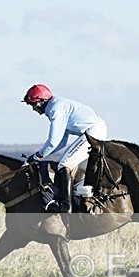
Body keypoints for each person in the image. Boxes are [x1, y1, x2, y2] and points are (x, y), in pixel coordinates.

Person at [22, 84, 107, 213]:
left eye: (33, 104)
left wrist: (37, 156)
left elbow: (52, 142)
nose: (33, 109)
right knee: (65, 163)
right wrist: (40, 155)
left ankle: (66, 206)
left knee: (64, 164)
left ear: (42, 101)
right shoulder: (57, 106)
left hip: (93, 132)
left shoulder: (56, 109)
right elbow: (61, 143)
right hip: (94, 130)